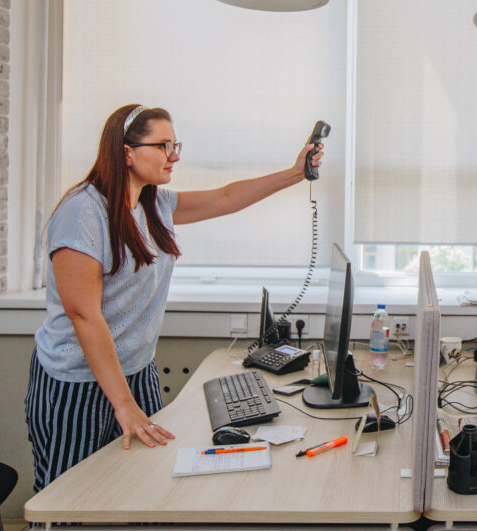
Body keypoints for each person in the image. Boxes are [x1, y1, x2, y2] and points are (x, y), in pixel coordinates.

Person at [24, 104, 322, 492]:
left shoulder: (153, 205)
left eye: (175, 144)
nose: (174, 156)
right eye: (163, 145)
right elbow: (84, 316)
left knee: (142, 491)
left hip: (136, 372)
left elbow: (226, 198)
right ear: (125, 152)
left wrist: (294, 174)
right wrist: (124, 404)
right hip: (77, 384)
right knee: (67, 501)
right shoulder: (83, 211)